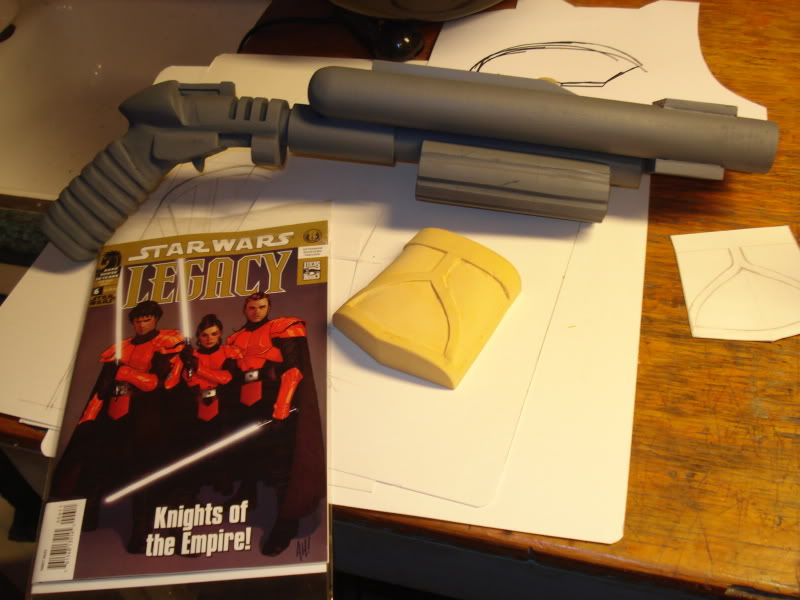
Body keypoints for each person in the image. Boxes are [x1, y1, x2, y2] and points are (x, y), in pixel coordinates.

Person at [49, 300, 184, 551]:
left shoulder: (165, 343)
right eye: (138, 321)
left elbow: (158, 383)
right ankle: (89, 518)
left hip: (146, 417)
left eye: (146, 320)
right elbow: (101, 388)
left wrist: (126, 373)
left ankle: (140, 532)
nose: (141, 325)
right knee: (97, 465)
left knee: (142, 472)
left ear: (156, 319)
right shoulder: (121, 347)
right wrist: (88, 418)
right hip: (114, 414)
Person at [226, 292, 325, 556]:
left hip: (276, 400)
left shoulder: (281, 328)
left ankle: (286, 523)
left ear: (268, 307)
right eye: (251, 307)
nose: (256, 311)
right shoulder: (236, 338)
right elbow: (231, 374)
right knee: (246, 453)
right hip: (246, 403)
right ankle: (247, 494)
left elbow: (293, 370)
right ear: (244, 309)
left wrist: (281, 409)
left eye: (261, 306)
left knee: (282, 466)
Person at [175, 314, 244, 495]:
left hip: (223, 405)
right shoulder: (191, 355)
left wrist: (198, 368)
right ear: (198, 336)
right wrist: (187, 363)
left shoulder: (228, 352)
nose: (209, 338)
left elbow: (227, 378)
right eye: (204, 335)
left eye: (214, 334)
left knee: (224, 445)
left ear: (220, 333)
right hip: (197, 404)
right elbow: (187, 381)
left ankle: (225, 481)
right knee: (196, 446)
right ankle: (196, 484)